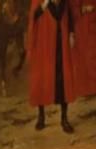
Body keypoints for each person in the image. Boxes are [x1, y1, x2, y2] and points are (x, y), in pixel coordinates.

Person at [28, 0, 78, 132]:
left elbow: (70, 15)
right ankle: (41, 117)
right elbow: (33, 17)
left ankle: (64, 118)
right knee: (42, 80)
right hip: (44, 45)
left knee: (63, 82)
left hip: (61, 44)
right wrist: (44, 3)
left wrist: (72, 33)